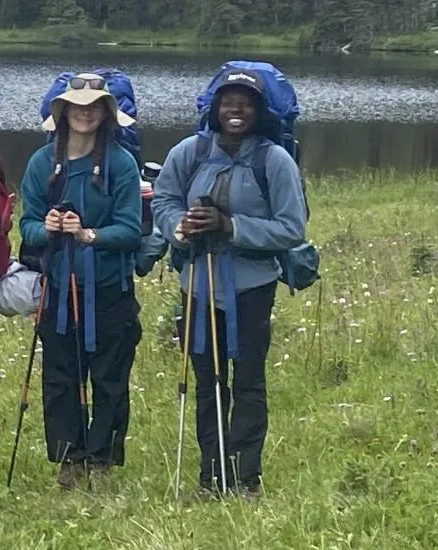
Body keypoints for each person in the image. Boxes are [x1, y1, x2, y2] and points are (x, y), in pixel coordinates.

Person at [151, 68, 307, 500]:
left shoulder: (274, 160)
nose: (235, 109)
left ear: (259, 111)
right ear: (214, 109)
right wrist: (179, 227)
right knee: (207, 382)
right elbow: (163, 200)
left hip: (252, 286)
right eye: (227, 101)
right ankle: (210, 477)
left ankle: (245, 479)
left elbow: (291, 228)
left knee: (249, 382)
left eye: (246, 102)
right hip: (198, 282)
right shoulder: (191, 151)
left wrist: (231, 226)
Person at [17, 72, 143, 489]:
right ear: (64, 111)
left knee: (108, 376)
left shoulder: (121, 164)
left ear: (106, 113)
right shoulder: (41, 163)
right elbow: (27, 226)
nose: (85, 114)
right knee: (60, 376)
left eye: (94, 108)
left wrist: (90, 235)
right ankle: (69, 459)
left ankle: (102, 459)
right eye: (77, 106)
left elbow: (131, 230)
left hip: (109, 289)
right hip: (58, 288)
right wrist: (49, 228)